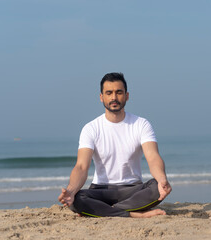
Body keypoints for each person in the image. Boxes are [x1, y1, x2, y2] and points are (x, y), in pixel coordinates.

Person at [58, 72, 172, 218]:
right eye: (109, 93)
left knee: (156, 188)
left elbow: (153, 157)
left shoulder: (141, 124)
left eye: (119, 92)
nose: (114, 97)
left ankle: (103, 211)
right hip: (101, 189)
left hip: (133, 190)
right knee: (77, 199)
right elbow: (81, 166)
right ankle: (134, 214)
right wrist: (71, 191)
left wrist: (162, 179)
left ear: (127, 96)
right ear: (101, 97)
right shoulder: (91, 128)